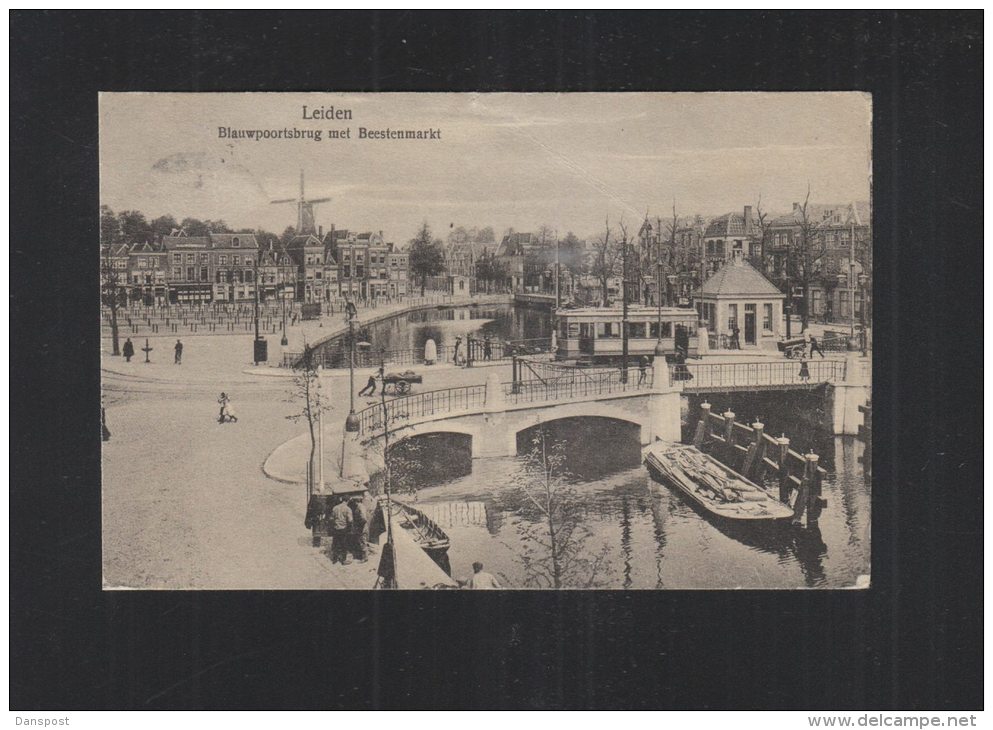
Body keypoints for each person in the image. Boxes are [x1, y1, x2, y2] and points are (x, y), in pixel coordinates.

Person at [330, 497, 354, 565]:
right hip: (343, 529)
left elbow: (331, 518)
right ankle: (343, 560)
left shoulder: (335, 508)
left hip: (336, 528)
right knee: (344, 544)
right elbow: (350, 520)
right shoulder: (348, 509)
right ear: (347, 501)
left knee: (335, 543)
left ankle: (334, 559)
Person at [349, 497, 368, 563]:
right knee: (360, 542)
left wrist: (359, 526)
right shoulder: (359, 506)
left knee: (363, 542)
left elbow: (364, 519)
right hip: (360, 528)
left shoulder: (360, 507)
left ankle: (364, 558)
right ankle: (362, 556)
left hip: (361, 528)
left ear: (356, 501)